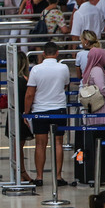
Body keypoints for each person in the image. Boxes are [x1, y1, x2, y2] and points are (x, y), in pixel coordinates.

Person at [25, 41, 71, 187]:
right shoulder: (63, 68)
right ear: (57, 53)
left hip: (40, 110)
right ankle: (58, 176)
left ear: (43, 53)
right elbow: (65, 85)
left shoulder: (36, 70)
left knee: (40, 144)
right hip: (59, 109)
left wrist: (26, 113)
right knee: (58, 143)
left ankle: (39, 177)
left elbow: (30, 94)